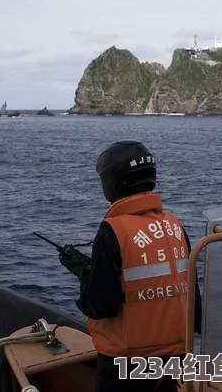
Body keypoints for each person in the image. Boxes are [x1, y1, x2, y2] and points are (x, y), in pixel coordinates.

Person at [59, 140, 202, 392]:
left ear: (114, 181)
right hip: (177, 359)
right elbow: (189, 296)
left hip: (126, 364)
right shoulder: (173, 225)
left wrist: (84, 274)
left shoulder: (112, 230)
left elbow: (101, 305)